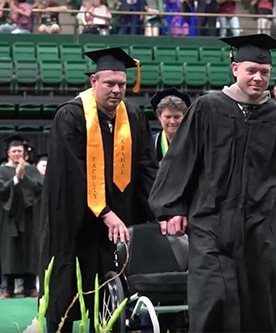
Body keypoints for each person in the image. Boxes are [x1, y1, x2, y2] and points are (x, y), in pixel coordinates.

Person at [148, 34, 276, 333]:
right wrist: (173, 208)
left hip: (261, 226)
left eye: (264, 72)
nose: (258, 77)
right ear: (235, 68)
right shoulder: (208, 107)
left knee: (260, 303)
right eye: (251, 70)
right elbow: (182, 159)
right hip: (211, 222)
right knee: (212, 299)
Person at [39, 47, 158, 332]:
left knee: (110, 295)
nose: (117, 90)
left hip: (117, 224)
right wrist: (104, 212)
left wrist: (162, 210)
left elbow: (146, 168)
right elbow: (71, 173)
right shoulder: (71, 116)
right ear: (94, 81)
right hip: (75, 223)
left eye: (122, 84)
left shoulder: (132, 116)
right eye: (110, 83)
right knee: (68, 291)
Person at [0, 134, 43, 299]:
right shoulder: (2, 170)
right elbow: (2, 191)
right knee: (9, 253)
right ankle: (7, 288)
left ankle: (30, 286)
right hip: (9, 218)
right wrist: (16, 179)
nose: (17, 153)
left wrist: (24, 175)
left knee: (30, 251)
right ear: (8, 153)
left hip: (29, 217)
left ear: (24, 153)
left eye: (20, 151)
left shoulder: (31, 169)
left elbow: (40, 189)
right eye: (14, 151)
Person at [150, 87, 191, 162]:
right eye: (168, 117)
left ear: (185, 117)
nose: (172, 121)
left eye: (177, 117)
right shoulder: (152, 143)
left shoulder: (193, 143)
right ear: (159, 117)